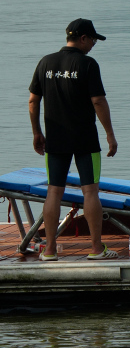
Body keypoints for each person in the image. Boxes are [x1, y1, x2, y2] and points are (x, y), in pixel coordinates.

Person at [28, 18, 119, 261]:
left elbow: (33, 100)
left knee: (53, 192)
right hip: (85, 139)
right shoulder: (88, 64)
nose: (93, 45)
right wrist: (110, 134)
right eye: (92, 40)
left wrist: (37, 132)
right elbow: (98, 101)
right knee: (90, 191)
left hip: (55, 139)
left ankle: (49, 250)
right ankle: (97, 249)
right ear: (82, 38)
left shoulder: (45, 62)